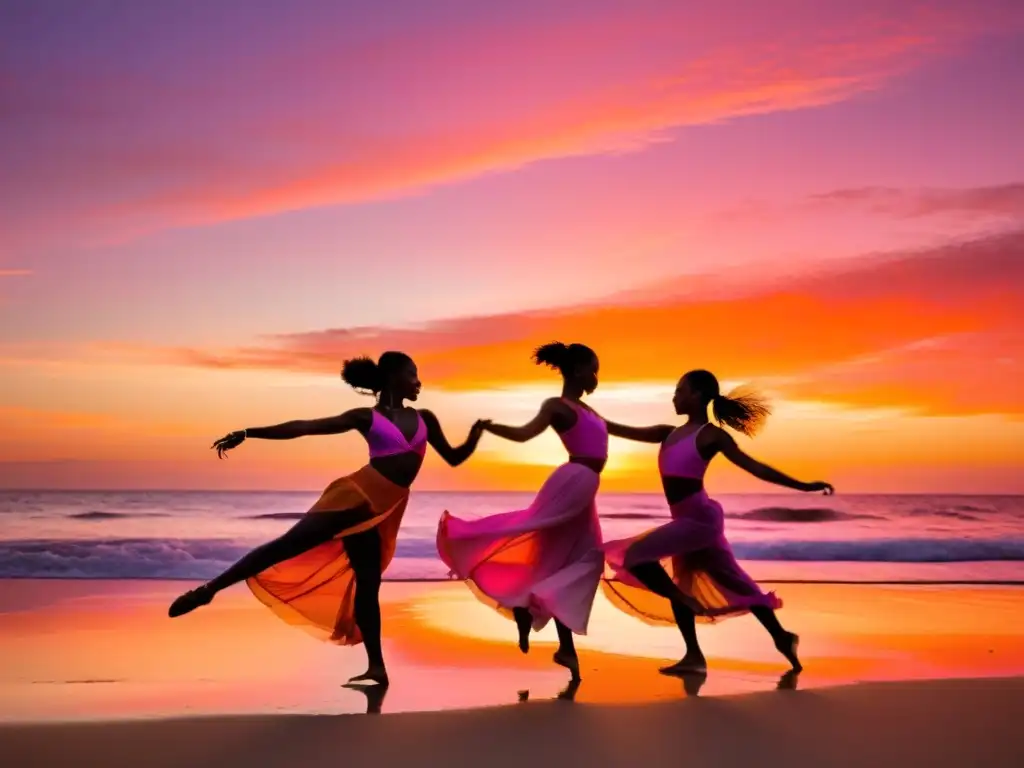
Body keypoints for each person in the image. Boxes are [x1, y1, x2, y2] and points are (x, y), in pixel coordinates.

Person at [167, 351, 486, 687]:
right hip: (353, 496)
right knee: (287, 545)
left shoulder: (425, 419)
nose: (418, 381)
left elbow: (453, 457)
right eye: (412, 374)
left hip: (383, 509)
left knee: (368, 585)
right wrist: (249, 432)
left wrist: (475, 436)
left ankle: (376, 667)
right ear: (393, 377)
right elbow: (306, 428)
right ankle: (208, 590)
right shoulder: (366, 417)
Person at [601, 369, 833, 675]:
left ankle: (687, 608)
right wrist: (577, 412)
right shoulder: (666, 433)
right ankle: (778, 638)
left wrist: (804, 486)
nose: (674, 396)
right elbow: (612, 428)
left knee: (634, 557)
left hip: (698, 521)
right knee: (734, 583)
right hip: (689, 523)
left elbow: (756, 468)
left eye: (680, 390)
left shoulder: (710, 435)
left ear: (697, 396)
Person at [436, 342, 607, 681]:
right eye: (593, 369)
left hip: (586, 488)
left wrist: (667, 434)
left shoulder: (592, 412)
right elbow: (525, 434)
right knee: (568, 555)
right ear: (576, 371)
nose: (596, 376)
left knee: (574, 561)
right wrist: (489, 428)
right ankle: (474, 546)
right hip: (573, 482)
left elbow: (623, 433)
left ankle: (556, 638)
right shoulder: (557, 406)